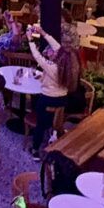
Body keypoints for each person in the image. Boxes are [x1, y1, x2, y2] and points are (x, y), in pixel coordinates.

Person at [26, 25, 79, 158]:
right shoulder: (68, 63)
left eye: (55, 52)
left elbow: (37, 56)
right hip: (62, 100)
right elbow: (57, 47)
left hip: (48, 99)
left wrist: (30, 40)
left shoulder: (53, 68)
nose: (53, 51)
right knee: (54, 119)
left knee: (40, 124)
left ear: (58, 56)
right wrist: (42, 32)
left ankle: (35, 150)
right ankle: (54, 131)